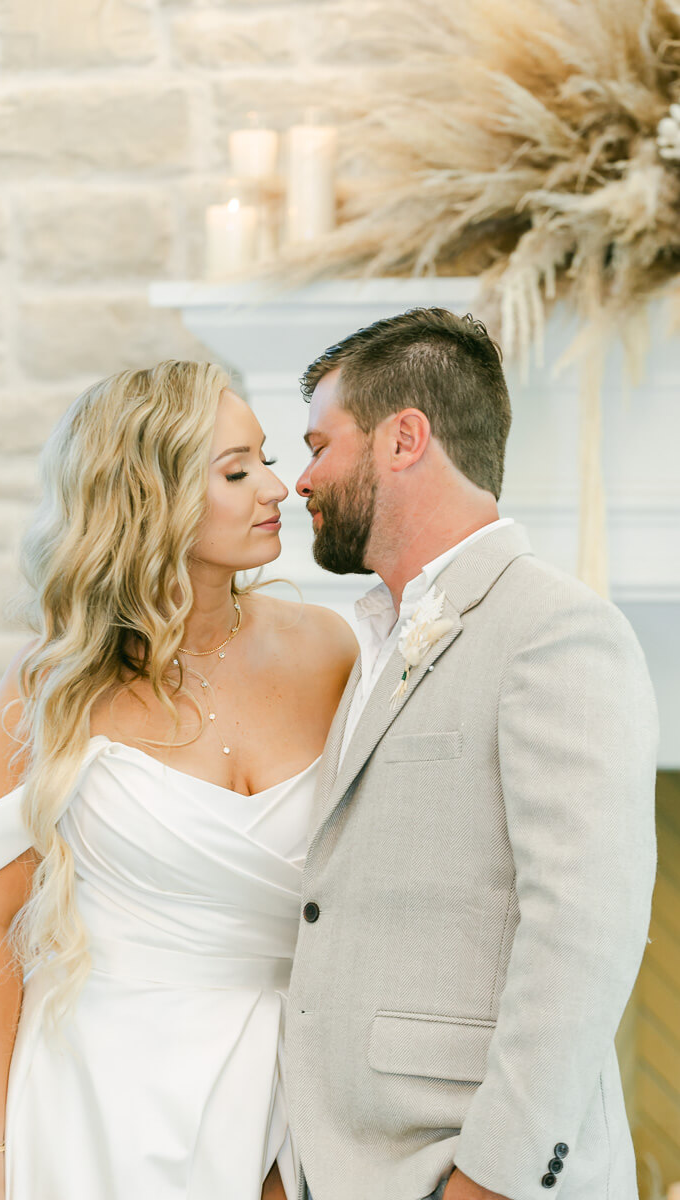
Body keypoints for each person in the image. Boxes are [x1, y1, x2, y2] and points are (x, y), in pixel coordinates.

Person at [0, 361, 358, 1200]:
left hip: (294, 1091)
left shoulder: (331, 650)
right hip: (100, 1097)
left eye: (265, 457)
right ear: (147, 497)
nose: (277, 487)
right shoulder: (49, 686)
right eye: (236, 471)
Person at [285, 308, 658, 1200]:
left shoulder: (556, 631)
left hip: (468, 1169)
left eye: (319, 445)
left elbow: (584, 931)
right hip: (339, 1168)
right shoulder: (367, 643)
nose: (301, 480)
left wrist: (492, 1178)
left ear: (403, 438)